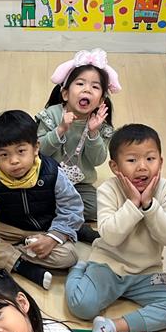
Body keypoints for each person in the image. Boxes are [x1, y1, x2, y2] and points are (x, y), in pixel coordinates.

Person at [66, 124, 166, 332]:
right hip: (108, 265)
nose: (142, 167)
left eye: (150, 159)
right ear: (115, 166)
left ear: (160, 162)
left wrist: (148, 204)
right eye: (131, 160)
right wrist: (132, 203)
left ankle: (112, 326)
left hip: (146, 272)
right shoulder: (108, 190)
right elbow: (110, 237)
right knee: (82, 306)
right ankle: (78, 270)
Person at [0, 110, 84, 291]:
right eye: (4, 155)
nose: (14, 161)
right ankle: (21, 265)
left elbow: (72, 207)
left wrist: (53, 238)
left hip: (44, 228)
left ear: (36, 148)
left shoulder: (51, 172)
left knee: (69, 256)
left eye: (21, 151)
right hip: (9, 228)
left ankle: (7, 257)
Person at [35, 48, 120, 227]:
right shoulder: (51, 115)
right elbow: (39, 150)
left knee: (97, 208)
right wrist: (60, 129)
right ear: (65, 93)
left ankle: (59, 213)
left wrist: (93, 133)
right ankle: (66, 213)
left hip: (79, 184)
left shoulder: (101, 125)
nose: (87, 90)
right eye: (80, 84)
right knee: (34, 198)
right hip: (48, 178)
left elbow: (98, 160)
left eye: (95, 87)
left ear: (101, 100)